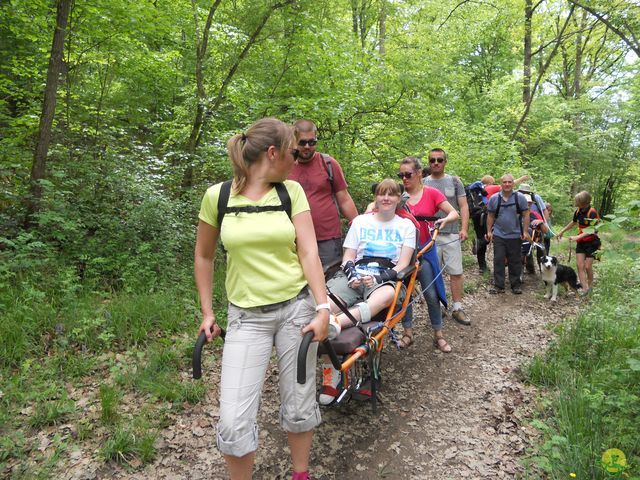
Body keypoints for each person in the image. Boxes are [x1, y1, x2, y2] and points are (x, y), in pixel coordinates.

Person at [194, 118, 330, 480]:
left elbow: (308, 253)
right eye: (292, 150)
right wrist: (207, 312)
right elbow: (204, 256)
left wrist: (322, 307)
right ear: (273, 153)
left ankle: (300, 474)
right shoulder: (218, 196)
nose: (298, 156)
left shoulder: (290, 193)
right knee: (234, 419)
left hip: (296, 310)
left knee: (299, 403)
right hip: (245, 317)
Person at [319, 179, 416, 405]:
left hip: (384, 277)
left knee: (386, 296)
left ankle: (336, 324)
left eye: (392, 194)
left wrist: (378, 278)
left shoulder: (406, 226)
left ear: (399, 198)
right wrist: (352, 273)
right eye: (382, 194)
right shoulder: (360, 222)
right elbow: (348, 256)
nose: (386, 198)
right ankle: (329, 378)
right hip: (355, 274)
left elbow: (402, 264)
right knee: (323, 304)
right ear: (376, 197)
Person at [398, 157, 459, 352]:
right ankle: (407, 333)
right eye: (401, 175)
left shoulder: (431, 193)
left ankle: (438, 334)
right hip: (402, 254)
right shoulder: (398, 195)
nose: (404, 179)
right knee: (404, 295)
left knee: (431, 294)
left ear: (418, 174)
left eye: (408, 174)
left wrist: (444, 221)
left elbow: (453, 213)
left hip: (425, 251)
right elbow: (377, 206)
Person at [288, 119, 358, 268]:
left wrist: (359, 226)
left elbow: (344, 199)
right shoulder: (285, 166)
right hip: (294, 238)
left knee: (330, 282)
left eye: (312, 142)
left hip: (328, 238)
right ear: (293, 141)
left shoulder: (328, 164)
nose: (307, 147)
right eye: (302, 142)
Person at [422, 148, 470, 325]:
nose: (436, 163)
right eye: (432, 160)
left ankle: (457, 307)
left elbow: (463, 206)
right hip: (428, 236)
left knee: (455, 272)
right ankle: (438, 308)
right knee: (434, 273)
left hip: (451, 233)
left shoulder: (455, 181)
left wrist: (464, 229)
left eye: (439, 160)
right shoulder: (422, 183)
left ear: (445, 161)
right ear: (428, 162)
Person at [485, 174, 531, 294]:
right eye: (504, 182)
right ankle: (499, 286)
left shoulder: (519, 198)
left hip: (515, 235)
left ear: (513, 183)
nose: (507, 184)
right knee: (498, 259)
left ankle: (515, 285)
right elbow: (490, 216)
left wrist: (525, 231)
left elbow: (526, 214)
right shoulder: (494, 198)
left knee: (515, 260)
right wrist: (489, 231)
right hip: (499, 234)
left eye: (509, 182)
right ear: (501, 184)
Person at [556, 191, 600, 293]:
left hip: (592, 243)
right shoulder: (578, 211)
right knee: (580, 265)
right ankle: (585, 289)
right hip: (581, 243)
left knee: (588, 266)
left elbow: (593, 229)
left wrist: (578, 236)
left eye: (577, 201)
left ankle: (590, 285)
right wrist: (562, 231)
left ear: (584, 202)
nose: (576, 202)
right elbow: (573, 222)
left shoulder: (592, 212)